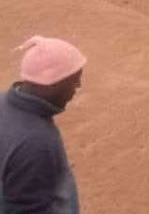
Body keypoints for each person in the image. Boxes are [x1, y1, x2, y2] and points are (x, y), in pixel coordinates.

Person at [1, 36, 86, 213]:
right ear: (50, 85)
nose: (78, 85)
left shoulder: (3, 102)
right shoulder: (36, 143)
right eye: (73, 81)